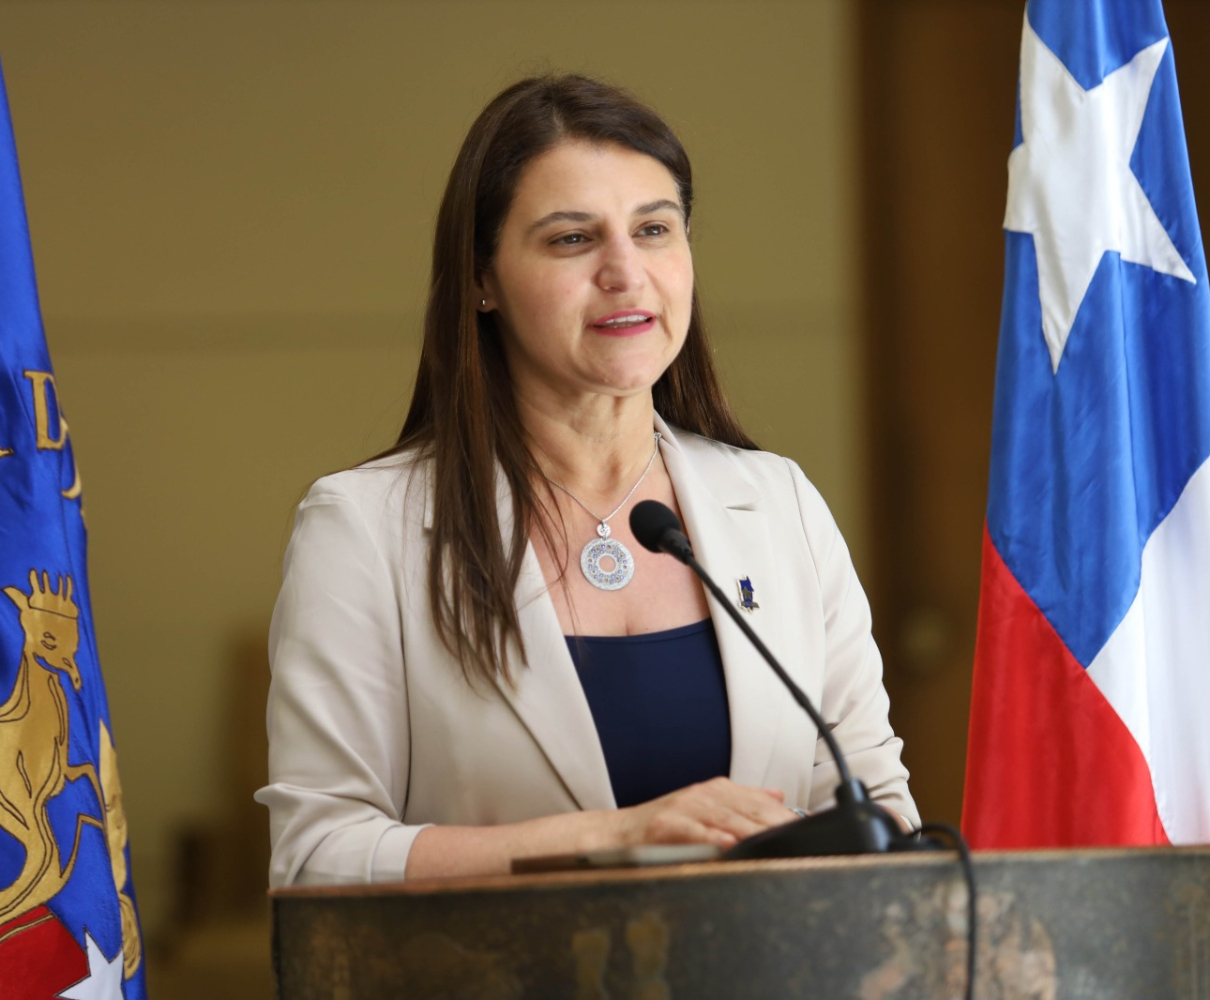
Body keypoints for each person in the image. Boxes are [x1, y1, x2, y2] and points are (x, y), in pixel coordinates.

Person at [256, 74, 917, 886]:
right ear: (481, 279)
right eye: (573, 239)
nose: (625, 272)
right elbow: (318, 857)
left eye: (654, 230)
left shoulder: (779, 504)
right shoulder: (364, 527)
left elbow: (878, 806)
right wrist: (615, 836)